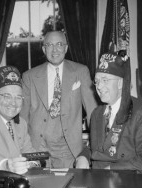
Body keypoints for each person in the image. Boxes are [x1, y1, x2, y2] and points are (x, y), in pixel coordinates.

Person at [76, 51, 142, 178]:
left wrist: (112, 169)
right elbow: (96, 148)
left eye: (105, 80)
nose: (99, 86)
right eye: (97, 81)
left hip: (132, 183)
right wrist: (84, 156)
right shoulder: (97, 113)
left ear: (121, 83)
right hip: (98, 182)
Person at [20, 31, 97, 168]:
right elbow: (23, 117)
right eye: (49, 45)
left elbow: (92, 111)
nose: (55, 49)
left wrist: (95, 142)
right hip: (37, 146)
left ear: (66, 48)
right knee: (39, 187)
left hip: (67, 147)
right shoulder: (29, 76)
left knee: (69, 186)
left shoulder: (80, 71)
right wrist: (21, 148)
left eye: (59, 44)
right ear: (44, 49)